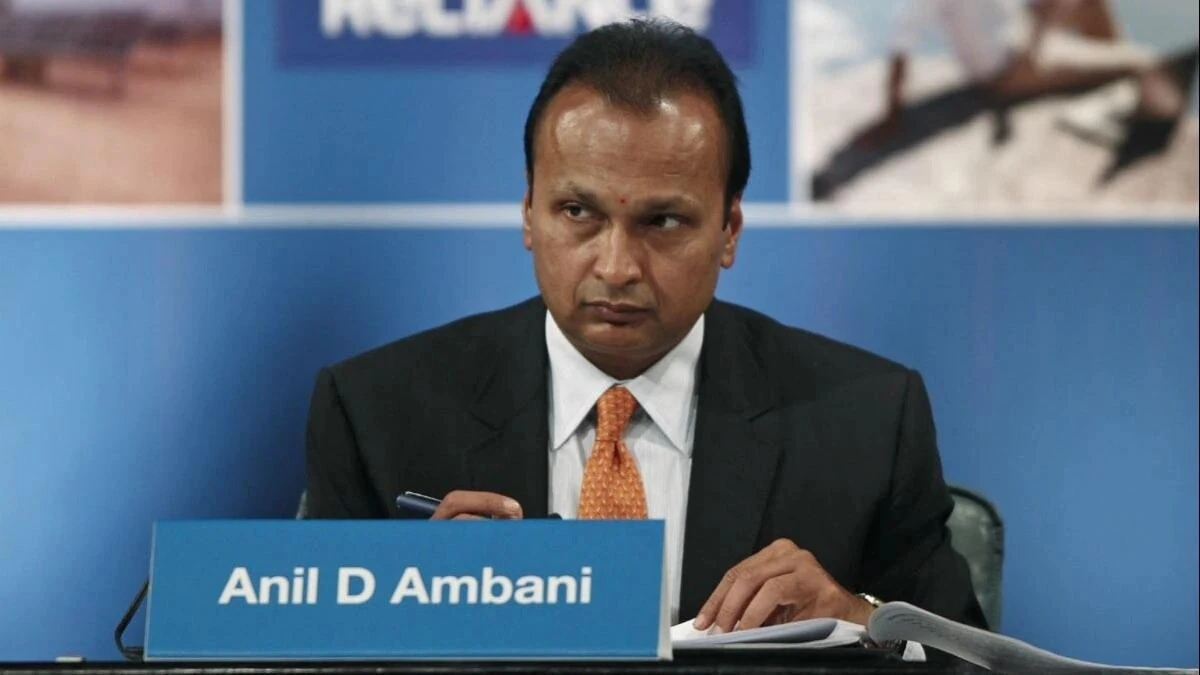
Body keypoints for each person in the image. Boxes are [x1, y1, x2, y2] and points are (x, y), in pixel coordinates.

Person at [304, 18, 986, 633]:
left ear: (729, 229)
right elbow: (307, 653)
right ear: (528, 212)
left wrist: (858, 617)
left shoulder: (865, 421)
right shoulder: (377, 414)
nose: (617, 265)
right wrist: (404, 610)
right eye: (578, 212)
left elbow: (966, 658)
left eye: (663, 221)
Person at [870, 0, 1185, 144]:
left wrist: (1043, 11)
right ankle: (1120, 77)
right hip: (1010, 71)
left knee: (1091, 2)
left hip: (1022, 39)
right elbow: (900, 47)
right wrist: (892, 116)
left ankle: (1114, 83)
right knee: (1143, 59)